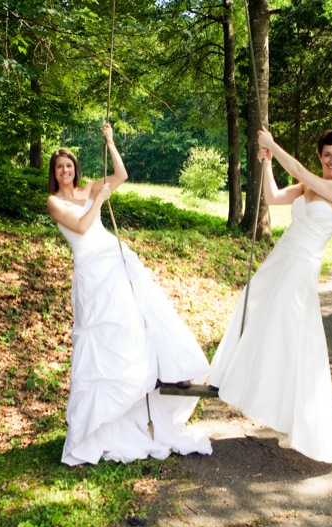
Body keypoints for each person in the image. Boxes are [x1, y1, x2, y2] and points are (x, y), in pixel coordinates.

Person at [46, 122, 212, 466]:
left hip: (113, 261)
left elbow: (121, 175)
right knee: (102, 337)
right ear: (54, 173)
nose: (65, 171)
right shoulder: (54, 202)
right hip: (92, 273)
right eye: (60, 167)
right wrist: (98, 201)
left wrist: (110, 142)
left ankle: (160, 375)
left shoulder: (87, 188)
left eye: (69, 165)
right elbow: (81, 227)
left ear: (75, 169)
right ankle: (101, 421)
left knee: (136, 320)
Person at [208, 128, 332, 463]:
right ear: (320, 156)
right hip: (281, 257)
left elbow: (299, 170)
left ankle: (292, 408)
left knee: (287, 330)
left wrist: (273, 144)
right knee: (254, 306)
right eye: (327, 154)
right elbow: (272, 197)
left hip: (301, 266)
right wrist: (267, 162)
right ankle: (247, 382)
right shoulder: (307, 187)